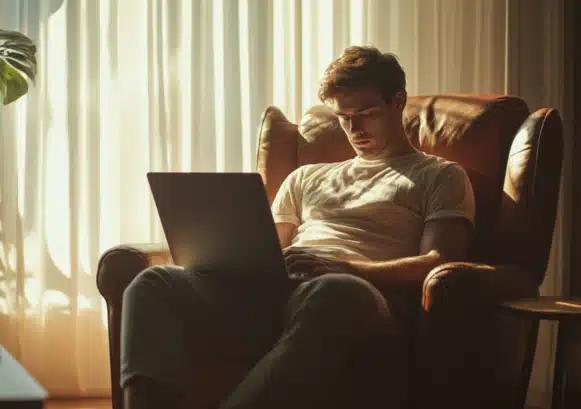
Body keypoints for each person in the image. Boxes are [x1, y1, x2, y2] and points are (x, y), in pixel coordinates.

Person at [121, 45, 475, 409]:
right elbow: (264, 251)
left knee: (336, 291)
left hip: (358, 298)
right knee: (151, 283)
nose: (354, 128)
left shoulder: (440, 176)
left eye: (366, 114)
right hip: (277, 296)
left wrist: (349, 268)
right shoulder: (305, 177)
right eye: (343, 117)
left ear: (398, 102)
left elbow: (439, 260)